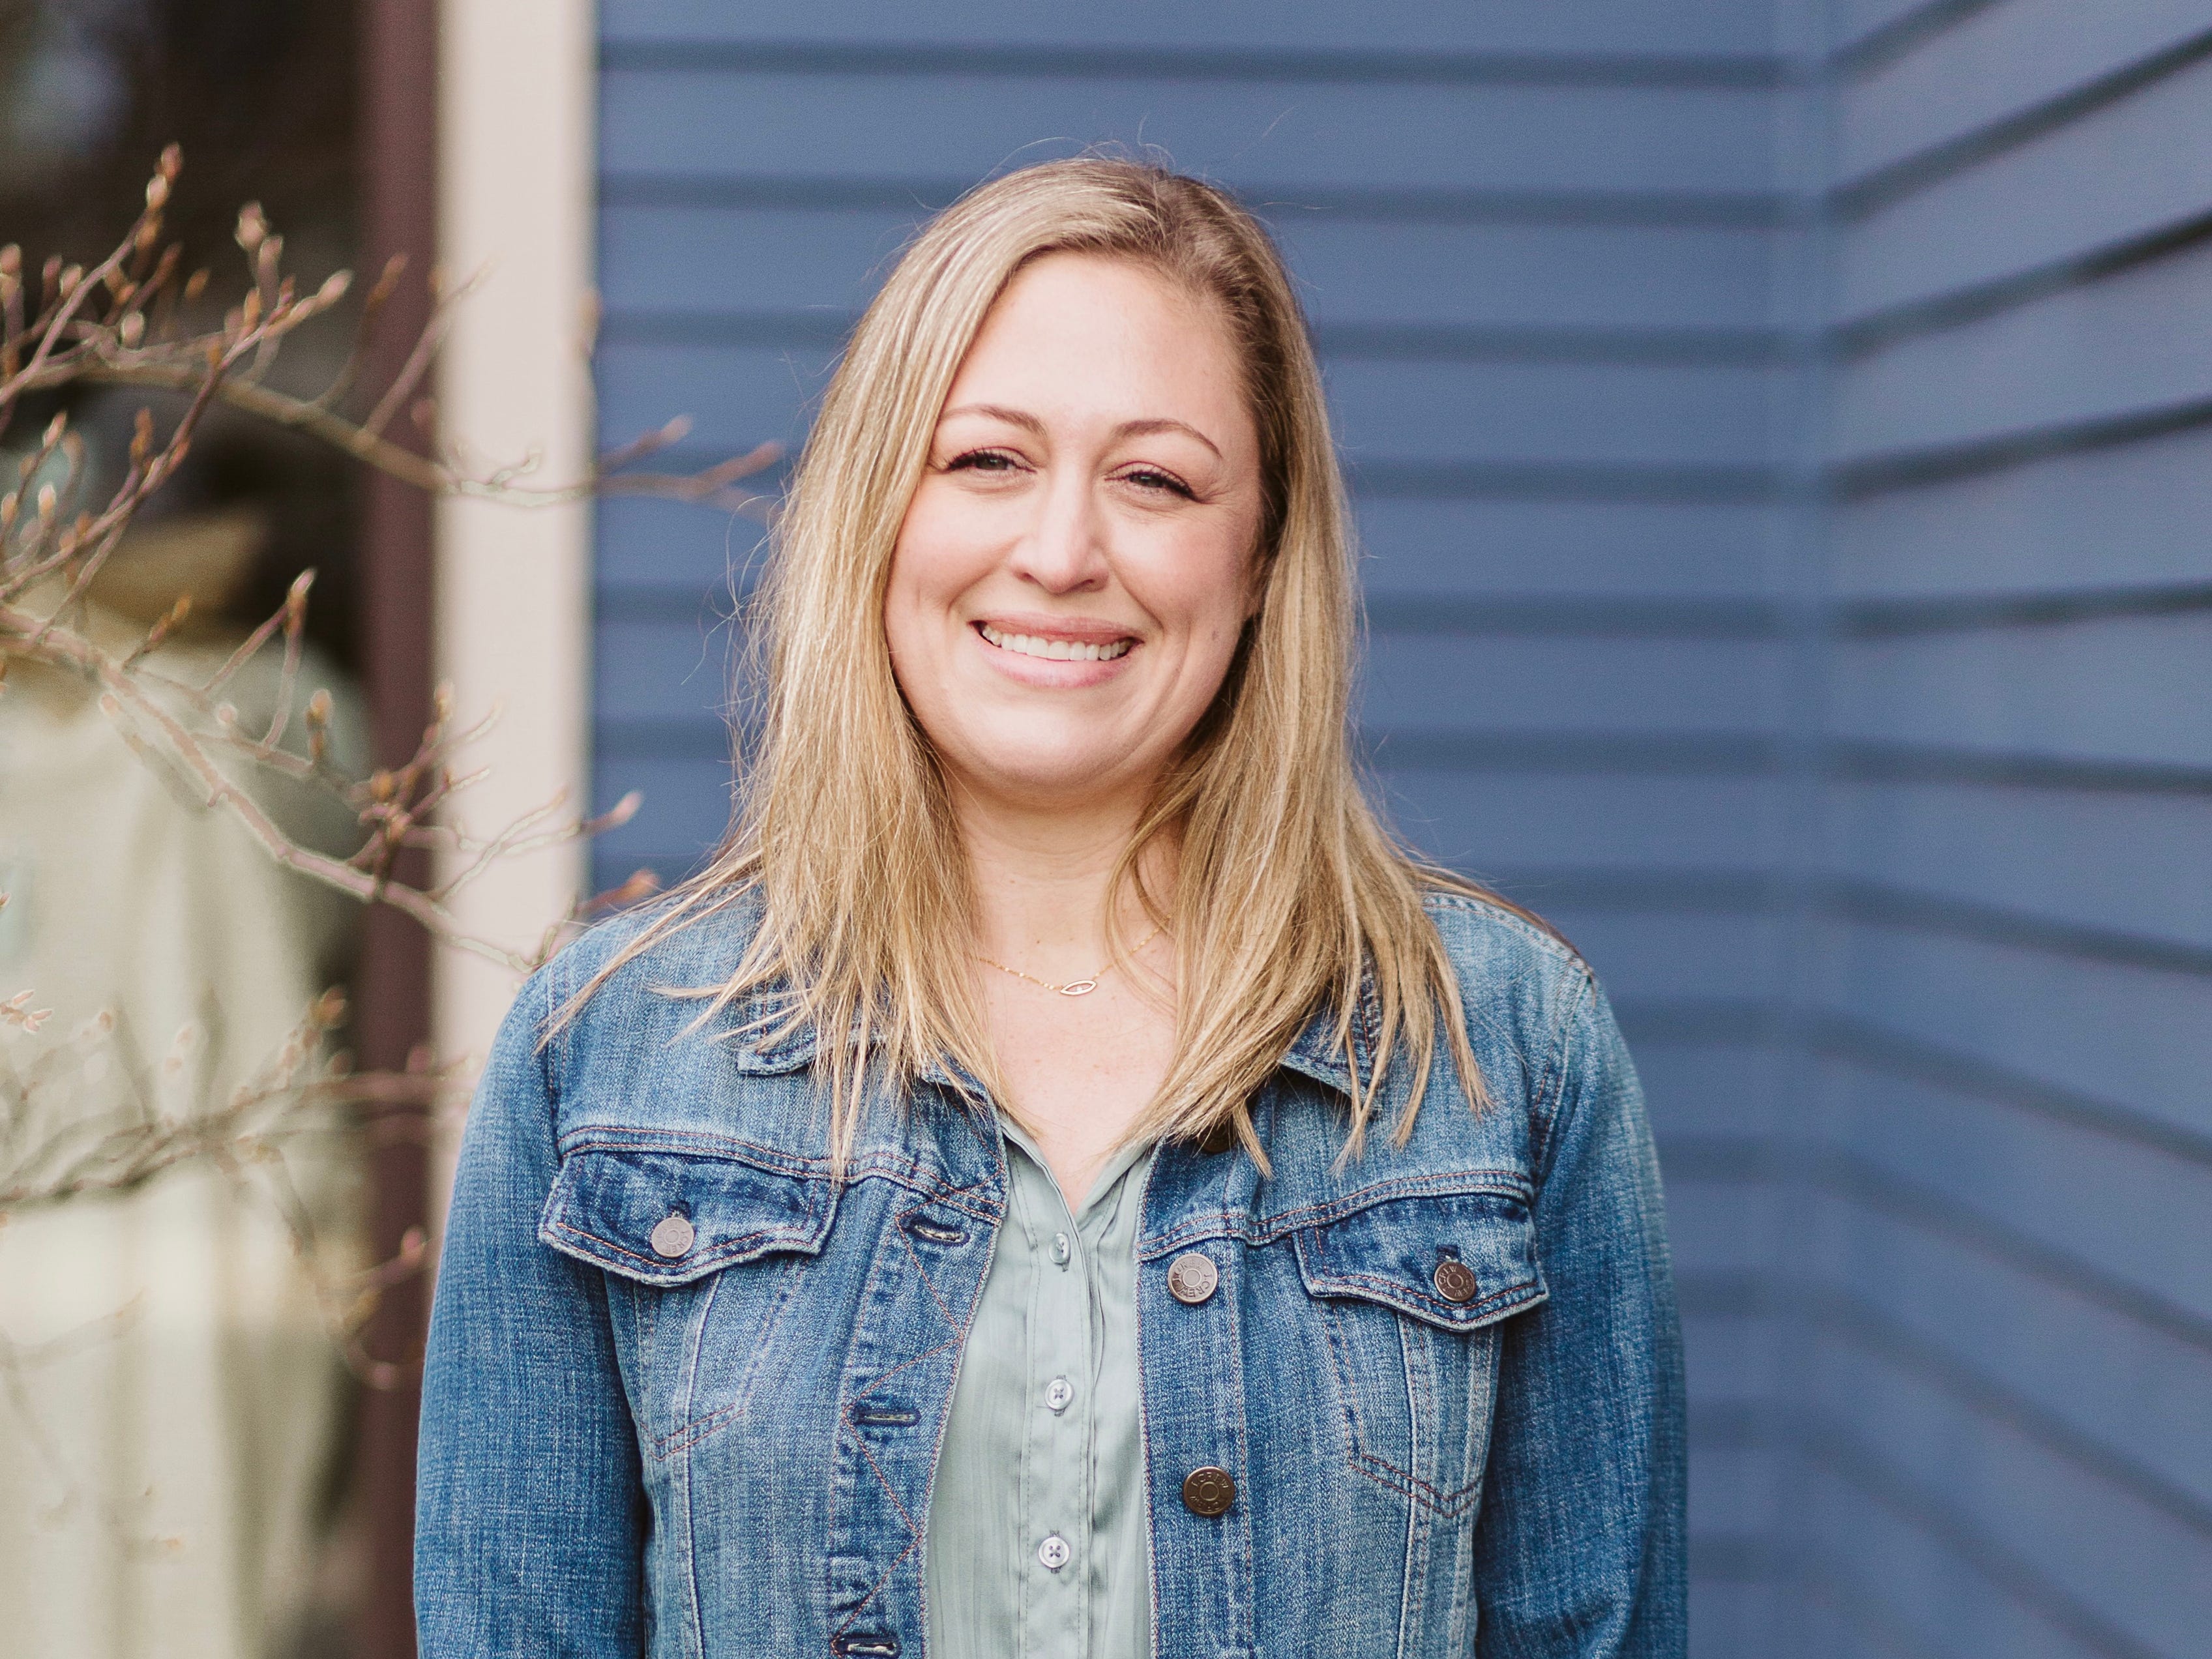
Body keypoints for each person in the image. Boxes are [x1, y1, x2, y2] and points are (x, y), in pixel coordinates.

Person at [415, 157, 1683, 1658]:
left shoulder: (1502, 1053)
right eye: (985, 462)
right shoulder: (605, 1055)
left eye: (1153, 479)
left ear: (1262, 554)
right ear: (876, 510)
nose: (1063, 552)